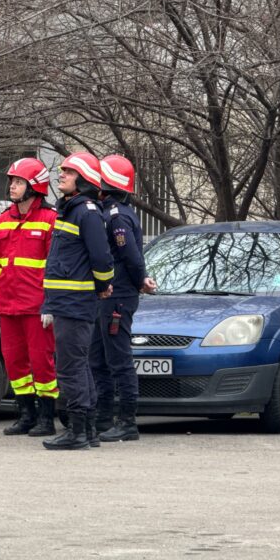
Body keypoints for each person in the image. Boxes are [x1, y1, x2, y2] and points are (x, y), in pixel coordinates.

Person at [41, 152, 114, 451]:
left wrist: (103, 284)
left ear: (83, 180)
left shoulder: (85, 211)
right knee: (78, 365)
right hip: (67, 302)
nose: (61, 176)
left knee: (71, 368)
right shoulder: (71, 210)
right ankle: (88, 430)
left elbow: (101, 258)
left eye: (68, 173)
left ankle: (78, 431)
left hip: (75, 302)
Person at [0, 158, 60, 437]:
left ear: (34, 186)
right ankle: (26, 415)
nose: (12, 186)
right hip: (10, 306)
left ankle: (47, 418)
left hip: (37, 307)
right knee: (15, 363)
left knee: (42, 363)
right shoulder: (4, 220)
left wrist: (51, 303)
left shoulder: (51, 220)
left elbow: (55, 266)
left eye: (18, 181)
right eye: (12, 181)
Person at [92, 155, 157, 443]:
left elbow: (130, 255)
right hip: (107, 295)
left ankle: (127, 422)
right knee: (98, 358)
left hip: (117, 295)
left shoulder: (116, 216)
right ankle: (103, 417)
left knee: (118, 359)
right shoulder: (110, 212)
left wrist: (140, 279)